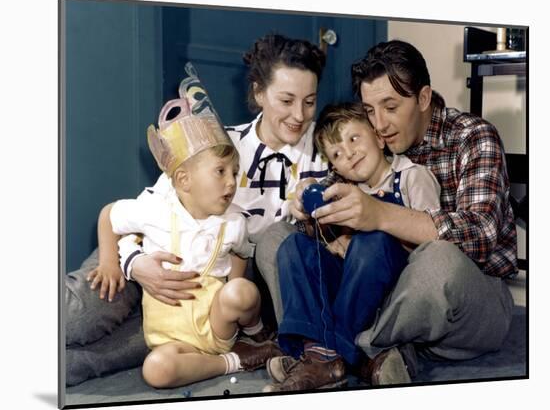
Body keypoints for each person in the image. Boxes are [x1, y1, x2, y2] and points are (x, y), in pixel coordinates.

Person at [65, 34, 327, 386]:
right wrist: (135, 264)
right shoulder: (217, 143)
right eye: (286, 100)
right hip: (140, 257)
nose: (299, 115)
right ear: (259, 93)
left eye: (309, 102)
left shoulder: (326, 157)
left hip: (209, 301)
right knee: (72, 316)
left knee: (77, 363)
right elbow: (147, 212)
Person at [258, 39, 517, 387]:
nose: (379, 124)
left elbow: (481, 236)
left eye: (391, 107)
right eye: (369, 111)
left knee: (440, 261)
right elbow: (324, 223)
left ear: (423, 98)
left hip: (459, 302)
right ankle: (358, 353)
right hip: (373, 292)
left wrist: (378, 215)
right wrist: (309, 205)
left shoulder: (473, 136)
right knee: (275, 239)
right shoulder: (364, 146)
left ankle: (330, 349)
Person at [262, 101, 441, 391]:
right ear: (335, 167)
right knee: (293, 246)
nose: (348, 152)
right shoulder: (345, 191)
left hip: (392, 291)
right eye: (336, 153)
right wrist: (317, 222)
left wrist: (371, 232)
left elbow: (432, 248)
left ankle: (323, 356)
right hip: (349, 288)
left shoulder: (412, 177)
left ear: (379, 138)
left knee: (374, 240)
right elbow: (320, 238)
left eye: (353, 138)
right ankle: (319, 351)